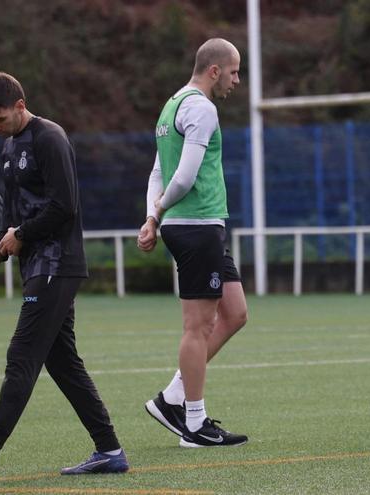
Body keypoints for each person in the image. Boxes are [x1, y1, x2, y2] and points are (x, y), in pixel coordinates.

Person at [0, 71, 128, 476]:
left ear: (20, 105)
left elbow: (64, 205)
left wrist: (22, 236)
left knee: (22, 355)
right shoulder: (10, 145)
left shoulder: (49, 138)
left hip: (58, 263)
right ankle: (109, 450)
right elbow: (14, 211)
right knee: (62, 361)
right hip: (37, 265)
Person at [137, 38, 248, 448]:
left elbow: (156, 173)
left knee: (234, 313)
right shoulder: (202, 108)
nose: (237, 80)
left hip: (197, 226)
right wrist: (158, 213)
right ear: (214, 70)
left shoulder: (171, 105)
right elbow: (181, 176)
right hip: (196, 225)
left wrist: (153, 215)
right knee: (198, 326)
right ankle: (194, 424)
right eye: (234, 72)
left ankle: (172, 398)